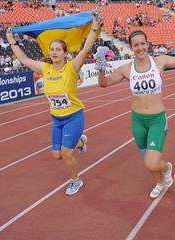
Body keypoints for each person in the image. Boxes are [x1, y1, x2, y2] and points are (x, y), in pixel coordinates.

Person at [6, 12, 103, 196]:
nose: (54, 52)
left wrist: (95, 27)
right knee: (56, 155)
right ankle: (80, 140)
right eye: (52, 49)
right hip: (57, 120)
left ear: (65, 53)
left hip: (74, 116)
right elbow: (24, 60)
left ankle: (76, 180)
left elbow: (85, 49)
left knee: (66, 153)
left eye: (58, 49)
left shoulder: (71, 67)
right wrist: (11, 40)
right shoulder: (45, 68)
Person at [96, 29, 175, 198]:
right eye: (136, 45)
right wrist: (100, 67)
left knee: (151, 163)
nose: (140, 47)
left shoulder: (160, 62)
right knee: (147, 161)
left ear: (147, 44)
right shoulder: (126, 69)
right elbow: (104, 84)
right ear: (131, 47)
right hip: (138, 121)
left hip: (157, 119)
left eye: (143, 43)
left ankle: (167, 168)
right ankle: (159, 182)